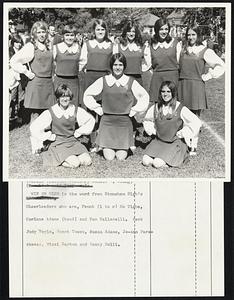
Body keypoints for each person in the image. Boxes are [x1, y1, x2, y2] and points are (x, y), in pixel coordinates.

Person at [83, 53, 149, 161]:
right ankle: (106, 145)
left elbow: (144, 97)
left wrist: (134, 110)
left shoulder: (130, 81)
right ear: (111, 66)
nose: (117, 67)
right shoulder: (104, 80)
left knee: (120, 157)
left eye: (120, 65)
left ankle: (127, 145)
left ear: (124, 66)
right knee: (109, 157)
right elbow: (87, 94)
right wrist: (97, 108)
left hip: (124, 123)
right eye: (115, 65)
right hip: (107, 122)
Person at [30, 84, 95, 168]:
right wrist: (48, 136)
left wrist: (79, 132)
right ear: (58, 98)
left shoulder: (75, 110)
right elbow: (34, 127)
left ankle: (67, 157)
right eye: (62, 96)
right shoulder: (52, 111)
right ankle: (54, 156)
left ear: (70, 97)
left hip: (73, 141)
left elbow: (90, 120)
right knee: (75, 163)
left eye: (67, 96)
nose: (65, 99)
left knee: (87, 161)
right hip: (58, 143)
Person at [142, 81, 201, 168]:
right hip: (159, 141)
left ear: (173, 93)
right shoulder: (156, 107)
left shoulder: (180, 108)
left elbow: (196, 122)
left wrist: (183, 133)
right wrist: (153, 131)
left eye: (168, 91)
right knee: (146, 161)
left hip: (174, 143)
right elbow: (147, 120)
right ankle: (162, 156)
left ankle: (177, 156)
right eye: (163, 91)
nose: (165, 94)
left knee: (157, 163)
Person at [10, 21, 55, 122]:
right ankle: (35, 137)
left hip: (48, 84)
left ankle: (44, 137)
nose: (41, 35)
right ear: (34, 33)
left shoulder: (49, 46)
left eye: (43, 32)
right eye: (39, 32)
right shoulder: (30, 46)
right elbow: (14, 61)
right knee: (35, 116)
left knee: (47, 116)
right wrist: (26, 72)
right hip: (36, 84)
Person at [79, 19, 114, 149]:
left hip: (105, 78)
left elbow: (114, 63)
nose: (100, 32)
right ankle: (92, 140)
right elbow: (82, 63)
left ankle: (104, 139)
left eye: (102, 29)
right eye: (98, 29)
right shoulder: (88, 44)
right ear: (94, 31)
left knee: (105, 109)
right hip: (91, 78)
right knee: (91, 109)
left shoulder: (111, 45)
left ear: (106, 31)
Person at [178, 25, 225, 117]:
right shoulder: (183, 49)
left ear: (198, 35)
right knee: (181, 115)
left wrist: (208, 76)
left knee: (194, 116)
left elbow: (221, 65)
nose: (190, 37)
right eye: (188, 35)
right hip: (182, 85)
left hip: (196, 86)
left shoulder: (204, 50)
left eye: (193, 34)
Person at [147, 18, 182, 104]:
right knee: (158, 106)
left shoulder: (175, 43)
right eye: (161, 29)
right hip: (157, 79)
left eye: (166, 29)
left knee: (173, 105)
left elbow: (180, 62)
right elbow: (147, 64)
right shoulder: (150, 44)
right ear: (156, 30)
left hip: (173, 78)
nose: (164, 32)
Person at [53, 24, 81, 106]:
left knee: (73, 105)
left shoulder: (78, 48)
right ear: (63, 36)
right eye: (67, 35)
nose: (69, 38)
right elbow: (52, 63)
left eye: (72, 35)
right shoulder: (56, 47)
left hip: (74, 81)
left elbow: (82, 63)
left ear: (75, 36)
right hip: (59, 81)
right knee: (59, 105)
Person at [117, 20, 150, 86]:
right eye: (129, 31)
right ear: (125, 32)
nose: (131, 34)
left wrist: (141, 69)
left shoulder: (142, 46)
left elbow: (147, 63)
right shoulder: (119, 46)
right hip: (122, 79)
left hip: (137, 79)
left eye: (133, 31)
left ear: (136, 33)